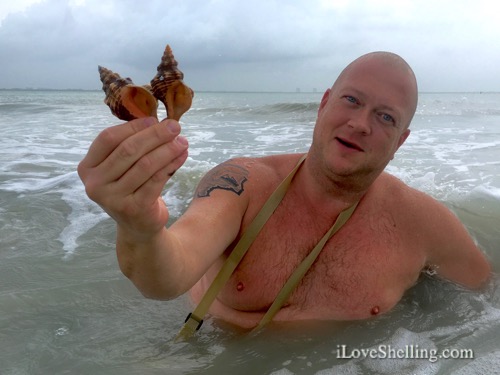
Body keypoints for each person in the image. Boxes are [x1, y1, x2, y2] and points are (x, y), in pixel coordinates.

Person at [78, 52, 491, 330]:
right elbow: (163, 279)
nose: (361, 123)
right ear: (324, 104)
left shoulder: (423, 224)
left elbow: (486, 301)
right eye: (351, 100)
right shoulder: (243, 183)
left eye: (386, 117)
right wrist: (140, 227)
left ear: (400, 141)